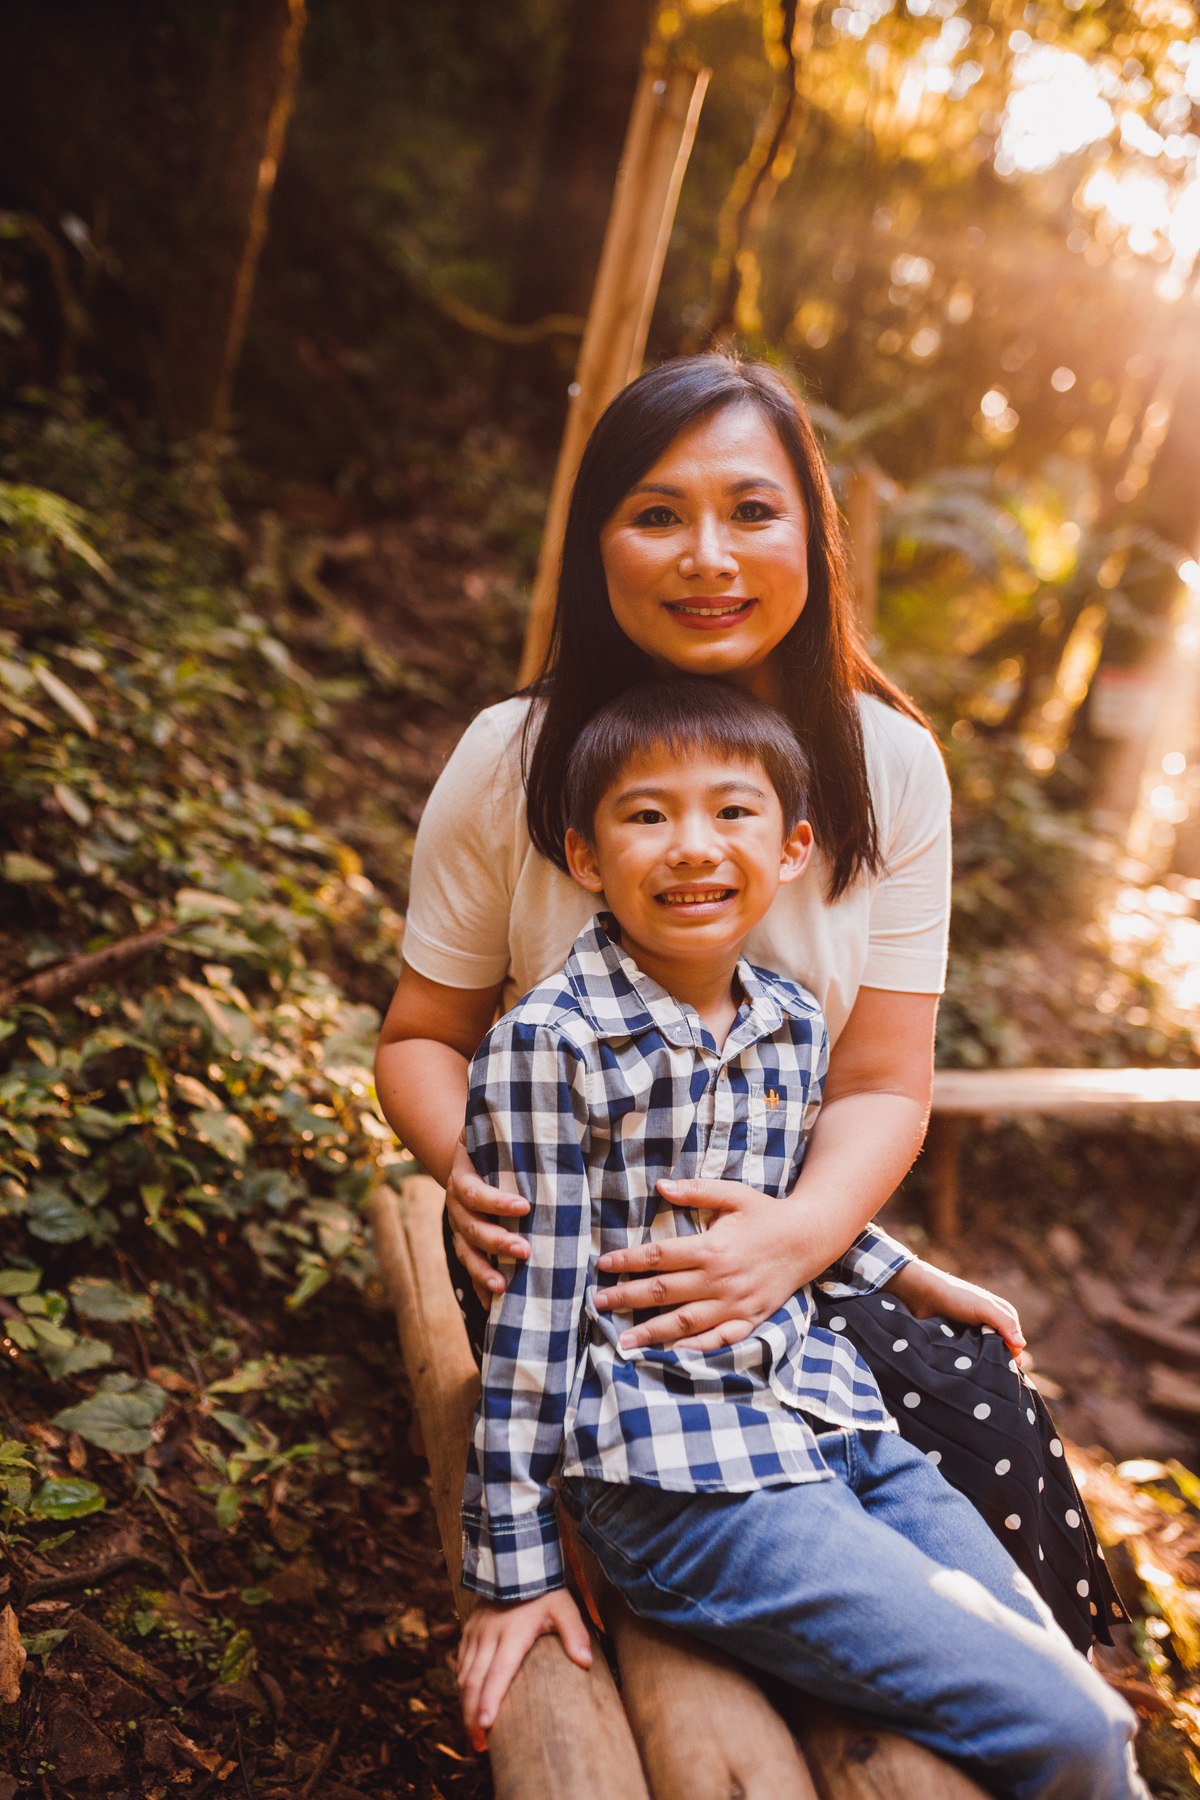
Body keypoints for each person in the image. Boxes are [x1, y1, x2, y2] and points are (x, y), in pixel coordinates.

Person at [374, 351, 1121, 1646]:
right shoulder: (512, 758)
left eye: (752, 511)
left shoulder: (890, 767)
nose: (707, 555)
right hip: (569, 1262)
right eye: (657, 513)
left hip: (786, 1253)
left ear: (813, 540)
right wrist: (470, 1177)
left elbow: (884, 1077)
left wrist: (809, 1238)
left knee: (989, 1434)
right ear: (597, 544)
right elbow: (421, 1038)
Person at [454, 680, 1143, 1800]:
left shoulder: (786, 1020)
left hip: (834, 1421)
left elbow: (772, 1211)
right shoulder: (549, 1047)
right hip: (681, 1479)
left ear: (791, 850)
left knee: (1086, 1704)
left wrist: (907, 1272)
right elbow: (529, 1321)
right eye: (646, 815)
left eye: (733, 812)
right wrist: (513, 1571)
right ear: (583, 855)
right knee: (1069, 1733)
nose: (692, 846)